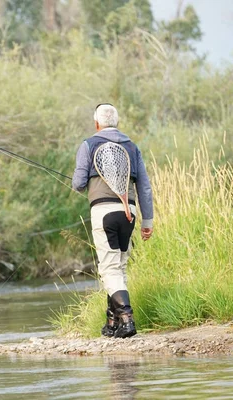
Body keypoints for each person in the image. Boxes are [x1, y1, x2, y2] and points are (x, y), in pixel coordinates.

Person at [72, 103, 154, 338]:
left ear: (97, 124)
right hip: (129, 211)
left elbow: (78, 183)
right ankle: (112, 322)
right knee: (119, 266)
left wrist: (83, 182)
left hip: (104, 212)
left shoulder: (89, 144)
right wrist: (147, 222)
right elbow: (144, 188)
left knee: (109, 268)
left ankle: (127, 320)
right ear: (116, 123)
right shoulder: (132, 147)